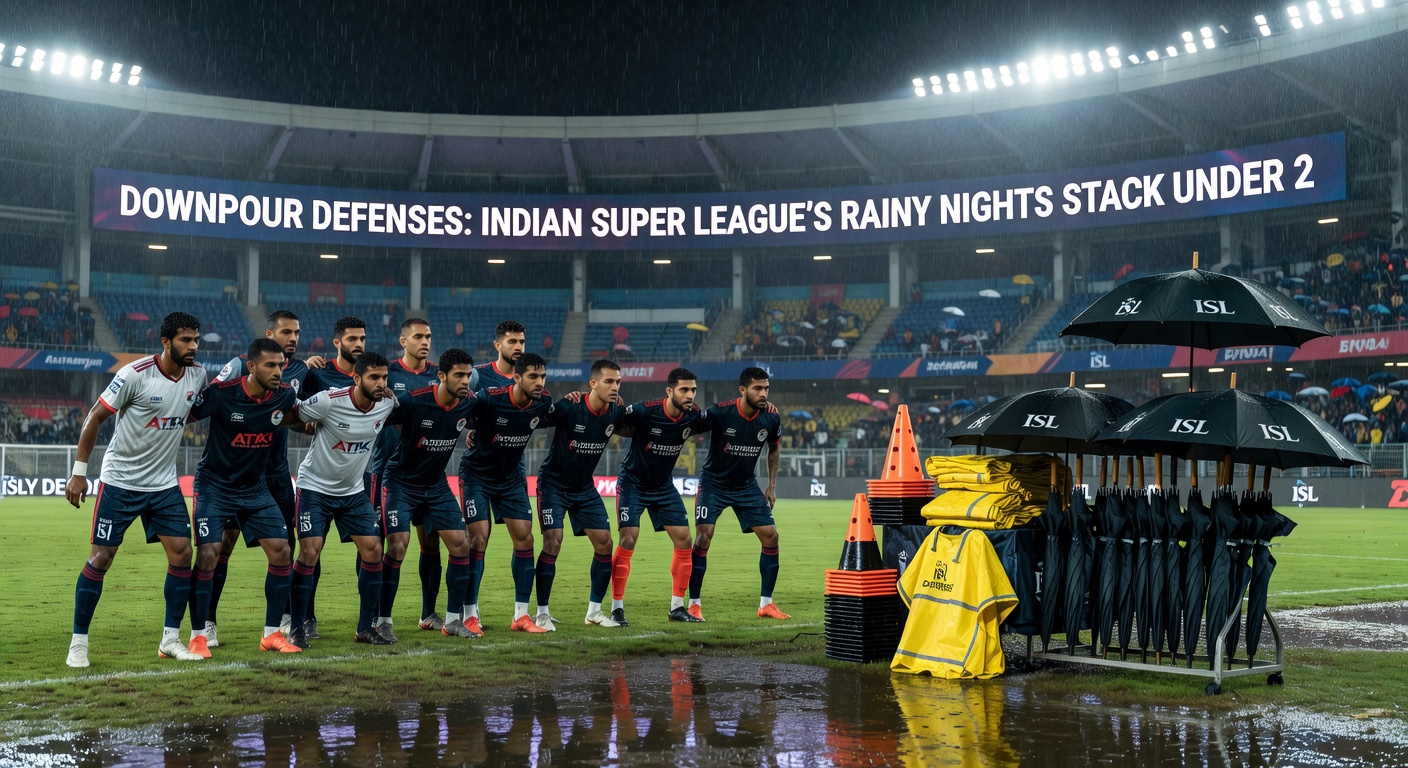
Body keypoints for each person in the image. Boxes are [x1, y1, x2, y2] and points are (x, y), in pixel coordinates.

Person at [64, 312, 209, 667]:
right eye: (185, 340)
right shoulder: (134, 374)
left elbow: (195, 409)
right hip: (121, 481)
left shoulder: (198, 376)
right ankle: (78, 643)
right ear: (166, 342)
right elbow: (95, 416)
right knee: (102, 557)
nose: (192, 346)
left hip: (163, 484)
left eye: (196, 340)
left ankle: (170, 640)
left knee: (182, 553)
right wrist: (79, 473)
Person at [204, 309, 317, 646]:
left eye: (296, 333)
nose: (293, 338)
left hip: (277, 474)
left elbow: (298, 413)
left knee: (286, 546)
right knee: (222, 546)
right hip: (236, 473)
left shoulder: (302, 371)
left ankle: (286, 619)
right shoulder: (241, 365)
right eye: (286, 332)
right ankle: (208, 621)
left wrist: (307, 424)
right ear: (269, 336)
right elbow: (215, 398)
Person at [186, 338, 303, 655]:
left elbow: (300, 416)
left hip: (255, 488)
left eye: (280, 366)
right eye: (270, 365)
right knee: (209, 553)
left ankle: (271, 634)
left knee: (281, 550)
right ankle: (198, 635)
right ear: (250, 367)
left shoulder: (285, 396)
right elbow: (185, 413)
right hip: (214, 486)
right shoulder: (222, 394)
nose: (278, 371)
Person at [281, 351, 397, 648]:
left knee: (373, 549)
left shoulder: (387, 403)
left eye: (384, 377)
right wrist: (308, 424)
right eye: (374, 377)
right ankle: (296, 628)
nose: (381, 383)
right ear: (356, 378)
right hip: (314, 488)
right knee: (310, 551)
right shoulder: (329, 400)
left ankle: (365, 628)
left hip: (352, 492)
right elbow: (292, 416)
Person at [383, 348, 482, 638]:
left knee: (461, 544)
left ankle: (452, 621)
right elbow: (375, 419)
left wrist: (476, 432)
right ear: (441, 376)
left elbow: (491, 414)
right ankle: (382, 620)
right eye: (459, 375)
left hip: (435, 485)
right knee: (397, 546)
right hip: (401, 481)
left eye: (468, 375)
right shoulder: (414, 401)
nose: (465, 381)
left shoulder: (469, 403)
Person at [457, 352, 555, 633]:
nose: (540, 382)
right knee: (477, 539)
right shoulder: (490, 397)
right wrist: (471, 430)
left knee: (525, 538)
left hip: (510, 478)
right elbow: (460, 411)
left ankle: (521, 616)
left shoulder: (543, 402)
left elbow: (565, 417)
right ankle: (469, 614)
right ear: (517, 378)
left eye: (543, 376)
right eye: (533, 377)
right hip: (477, 475)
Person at [612, 367, 711, 624]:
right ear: (669, 391)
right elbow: (614, 421)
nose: (690, 395)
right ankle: (616, 608)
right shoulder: (644, 410)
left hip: (663, 487)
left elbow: (721, 419)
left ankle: (677, 608)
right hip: (633, 483)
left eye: (693, 390)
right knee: (628, 538)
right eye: (684, 390)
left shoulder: (693, 415)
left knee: (684, 539)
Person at [369, 317, 446, 640]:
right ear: (403, 341)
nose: (425, 342)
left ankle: (428, 613)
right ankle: (376, 615)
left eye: (428, 336)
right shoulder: (386, 373)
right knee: (379, 544)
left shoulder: (439, 375)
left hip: (427, 472)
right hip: (388, 471)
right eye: (418, 336)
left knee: (431, 542)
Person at [690, 367, 788, 621]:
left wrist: (772, 486)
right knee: (703, 536)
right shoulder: (720, 412)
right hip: (714, 483)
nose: (763, 393)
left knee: (771, 536)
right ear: (743, 390)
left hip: (746, 485)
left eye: (766, 388)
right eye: (757, 388)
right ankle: (693, 604)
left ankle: (766, 604)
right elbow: (691, 425)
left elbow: (774, 450)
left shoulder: (771, 417)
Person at [535, 359, 625, 631]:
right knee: (553, 542)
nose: (615, 387)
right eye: (609, 381)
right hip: (553, 484)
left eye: (618, 382)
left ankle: (594, 612)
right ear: (593, 383)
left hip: (584, 488)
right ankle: (541, 613)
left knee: (605, 543)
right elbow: (535, 420)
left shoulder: (616, 412)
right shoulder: (571, 405)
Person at [296, 315, 366, 640]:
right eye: (352, 339)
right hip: (320, 477)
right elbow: (297, 409)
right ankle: (307, 617)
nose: (358, 344)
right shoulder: (318, 373)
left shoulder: (372, 375)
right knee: (313, 549)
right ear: (337, 342)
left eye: (362, 338)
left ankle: (369, 619)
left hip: (357, 477)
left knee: (370, 547)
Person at [475, 320, 526, 389]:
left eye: (521, 342)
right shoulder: (478, 375)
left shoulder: (530, 377)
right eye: (512, 342)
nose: (518, 347)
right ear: (498, 345)